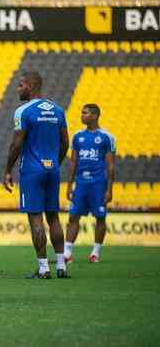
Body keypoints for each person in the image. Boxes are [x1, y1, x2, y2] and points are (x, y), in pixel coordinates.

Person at [3, 71, 70, 279]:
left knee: (35, 218)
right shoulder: (58, 110)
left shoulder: (23, 111)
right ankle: (61, 266)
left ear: (31, 86)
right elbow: (65, 143)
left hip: (32, 170)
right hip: (53, 170)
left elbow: (16, 145)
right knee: (54, 217)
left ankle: (43, 268)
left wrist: (7, 170)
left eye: (21, 85)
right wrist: (55, 164)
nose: (18, 89)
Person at [65, 104, 116, 263]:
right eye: (82, 112)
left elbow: (110, 165)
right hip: (81, 183)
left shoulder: (106, 137)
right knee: (73, 217)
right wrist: (69, 186)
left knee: (100, 217)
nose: (82, 115)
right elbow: (73, 163)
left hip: (98, 183)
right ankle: (67, 253)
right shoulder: (77, 136)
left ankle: (95, 252)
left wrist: (109, 189)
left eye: (85, 113)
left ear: (95, 115)